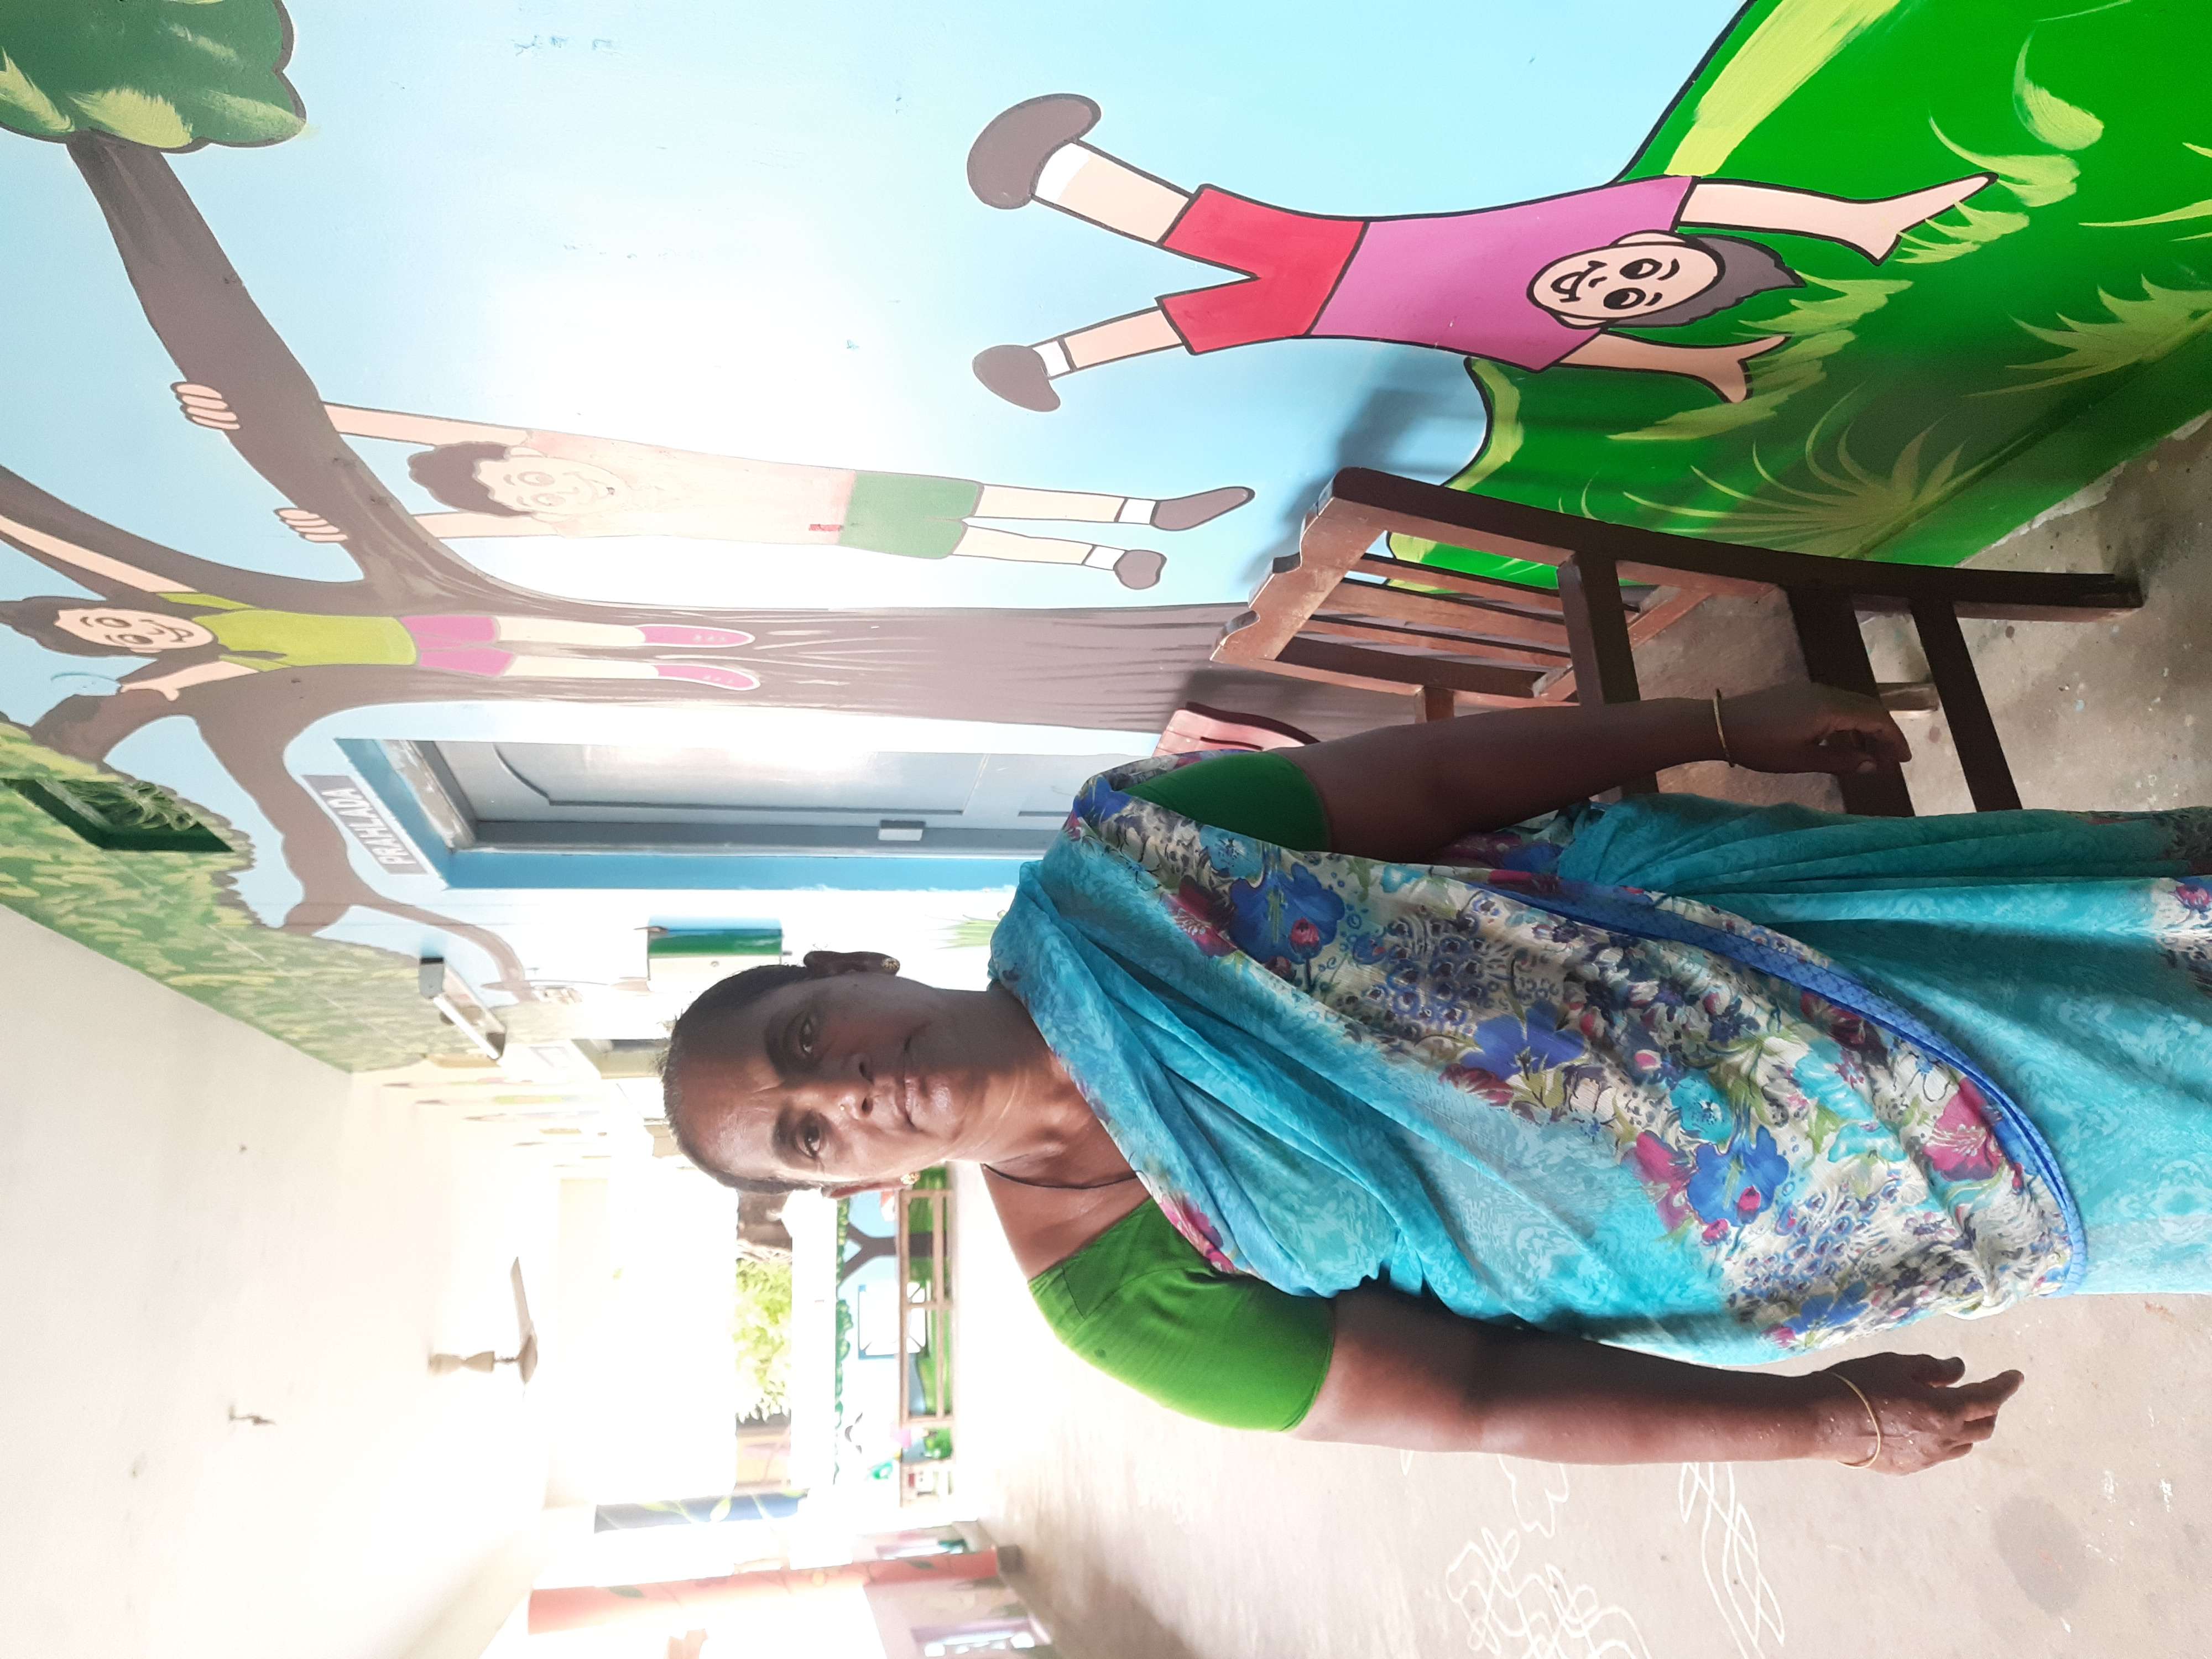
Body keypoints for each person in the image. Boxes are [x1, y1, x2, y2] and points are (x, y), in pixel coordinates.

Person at [661, 686, 2212, 1475]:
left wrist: (1717, 721)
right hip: (1842, 1205)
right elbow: (1473, 1400)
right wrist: (1818, 1430)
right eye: (810, 1137)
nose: (848, 1091)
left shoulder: (1125, 866)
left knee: (2135, 957)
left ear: (845, 970)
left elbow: (1426, 780)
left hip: (1775, 945)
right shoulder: (1118, 1301)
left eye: (808, 1042)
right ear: (858, 1188)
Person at [966, 93, 1990, 409]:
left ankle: (1044, 338)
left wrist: (1694, 363)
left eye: (1632, 296)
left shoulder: (1537, 328)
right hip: (1337, 252)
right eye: (1645, 263)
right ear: (1637, 238)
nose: (1616, 280)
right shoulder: (1586, 225)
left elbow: (1597, 350)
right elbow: (1705, 195)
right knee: (1200, 237)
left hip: (1321, 300)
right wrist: (1848, 221)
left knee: (1190, 315)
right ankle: (1050, 177)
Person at [171, 385, 1257, 591]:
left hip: (843, 480)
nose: (546, 483)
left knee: (978, 497)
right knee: (964, 542)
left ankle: (1144, 514)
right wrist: (356, 525)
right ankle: (1107, 552)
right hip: (831, 531)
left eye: (528, 471)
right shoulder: (597, 521)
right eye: (530, 492)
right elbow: (454, 524)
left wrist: (284, 414)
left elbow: (428, 433)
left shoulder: (606, 457)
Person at [0, 510, 760, 696]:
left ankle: (673, 637)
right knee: (569, 668)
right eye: (119, 638)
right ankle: (678, 672)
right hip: (429, 658)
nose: (134, 628)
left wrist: (16, 528)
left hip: (420, 624)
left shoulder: (195, 604)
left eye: (111, 616)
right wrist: (152, 686)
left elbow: (95, 562)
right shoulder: (228, 652)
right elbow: (186, 679)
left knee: (566, 632)